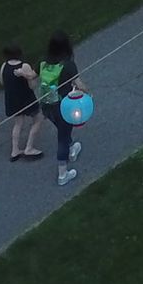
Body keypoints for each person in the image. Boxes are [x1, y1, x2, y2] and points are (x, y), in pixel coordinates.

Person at [39, 31, 83, 187]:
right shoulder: (68, 65)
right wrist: (86, 93)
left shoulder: (44, 63)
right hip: (64, 107)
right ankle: (63, 173)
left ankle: (72, 149)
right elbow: (80, 85)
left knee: (63, 130)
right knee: (62, 138)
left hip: (47, 106)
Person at [1, 45, 45, 160]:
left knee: (18, 123)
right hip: (26, 98)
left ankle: (15, 150)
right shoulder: (24, 66)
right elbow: (32, 85)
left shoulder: (4, 66)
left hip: (12, 99)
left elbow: (2, 81)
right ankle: (29, 147)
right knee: (38, 118)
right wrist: (26, 76)